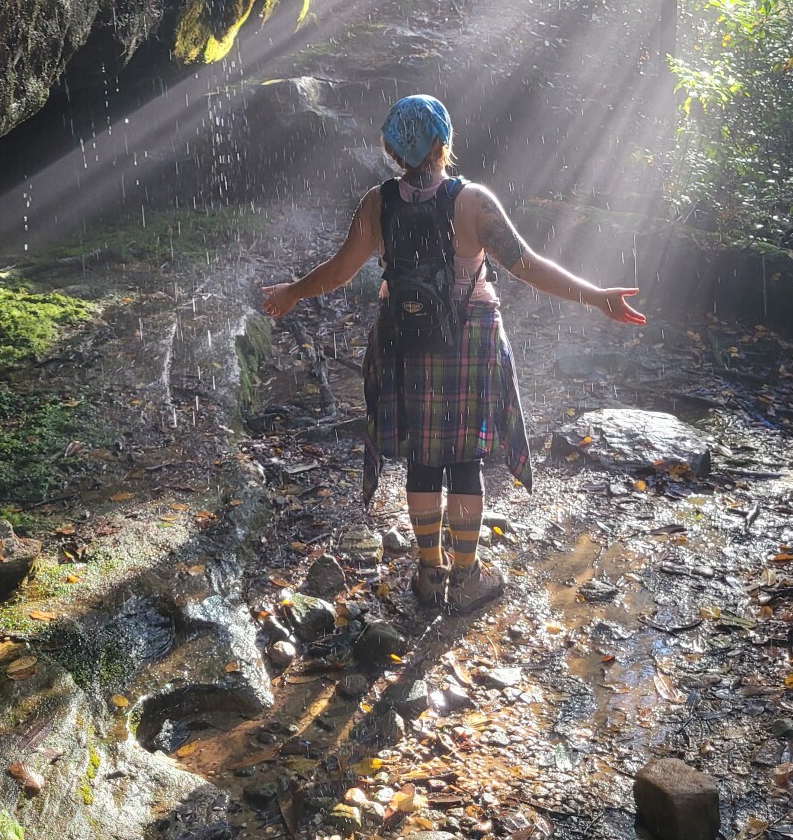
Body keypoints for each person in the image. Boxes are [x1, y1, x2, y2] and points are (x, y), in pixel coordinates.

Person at [262, 95, 645, 612]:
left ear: (394, 148)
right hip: (472, 337)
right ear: (444, 141)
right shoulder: (474, 202)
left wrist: (291, 293)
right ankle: (466, 577)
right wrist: (596, 297)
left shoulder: (377, 204)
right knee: (465, 459)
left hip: (404, 338)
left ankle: (429, 572)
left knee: (423, 458)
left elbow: (336, 272)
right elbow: (526, 265)